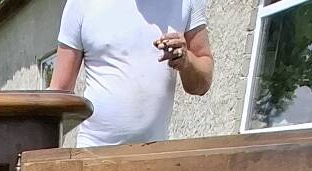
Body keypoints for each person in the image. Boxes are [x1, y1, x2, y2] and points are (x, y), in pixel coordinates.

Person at [47, 0, 213, 147]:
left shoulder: (186, 2)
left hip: (155, 158)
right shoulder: (81, 3)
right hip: (94, 156)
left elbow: (202, 84)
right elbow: (59, 93)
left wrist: (186, 62)